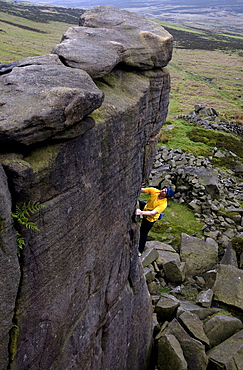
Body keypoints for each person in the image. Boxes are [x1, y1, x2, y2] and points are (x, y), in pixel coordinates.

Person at [136, 187, 175, 254]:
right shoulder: (155, 191)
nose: (162, 190)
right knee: (138, 202)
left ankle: (140, 250)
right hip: (146, 207)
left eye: (165, 191)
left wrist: (140, 212)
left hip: (150, 218)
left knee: (143, 233)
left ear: (166, 196)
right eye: (164, 189)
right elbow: (142, 190)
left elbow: (152, 213)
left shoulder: (163, 204)